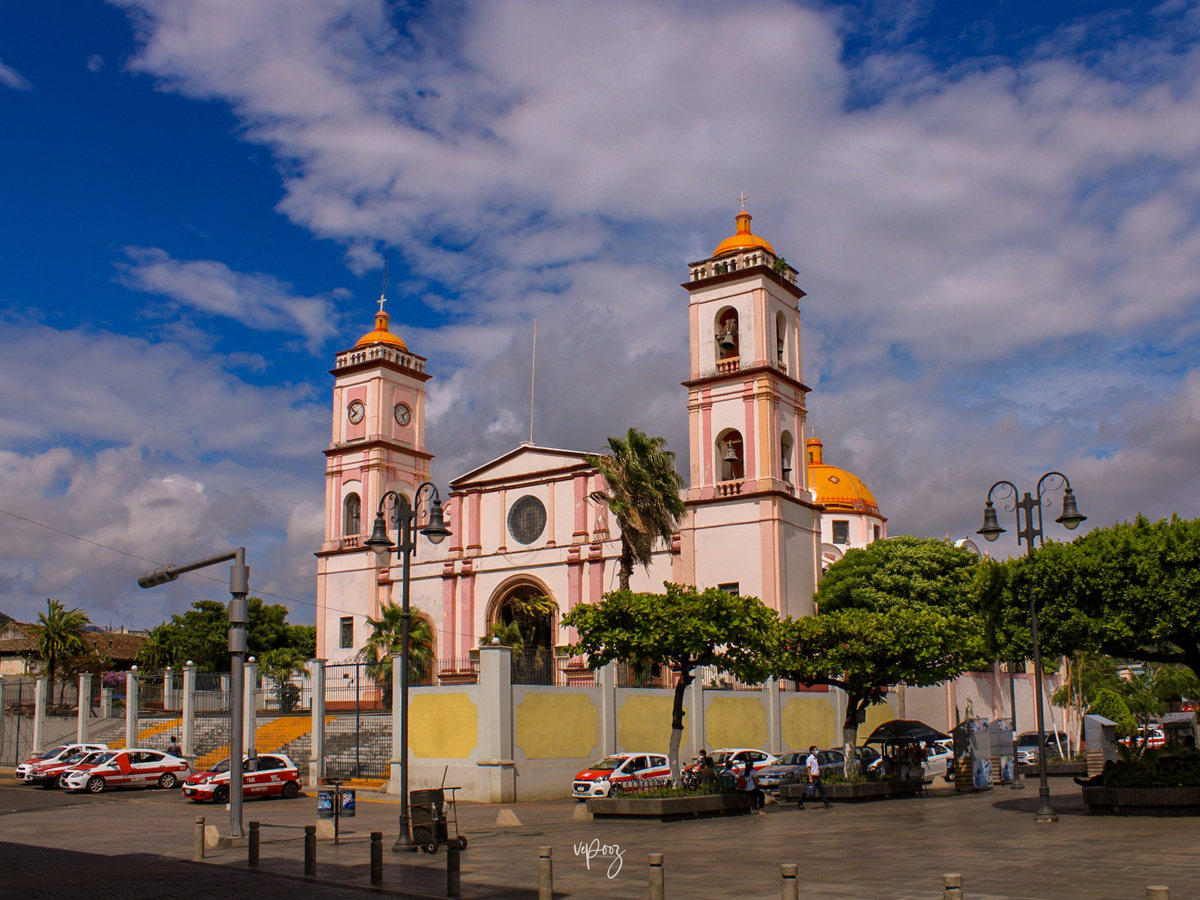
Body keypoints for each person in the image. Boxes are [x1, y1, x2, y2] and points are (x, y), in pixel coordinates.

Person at [799, 745, 831, 809]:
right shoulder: (809, 759)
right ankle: (800, 802)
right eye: (815, 750)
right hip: (812, 777)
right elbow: (808, 768)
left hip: (817, 777)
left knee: (822, 790)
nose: (817, 751)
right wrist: (810, 778)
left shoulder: (815, 758)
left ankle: (826, 803)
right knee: (808, 791)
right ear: (812, 751)